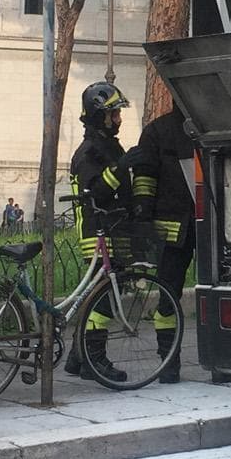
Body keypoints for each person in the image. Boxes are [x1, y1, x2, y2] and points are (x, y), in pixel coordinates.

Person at [66, 80, 133, 382]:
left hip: (109, 230)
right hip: (96, 234)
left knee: (95, 297)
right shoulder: (90, 151)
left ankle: (77, 358)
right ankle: (95, 361)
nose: (118, 120)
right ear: (98, 116)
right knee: (102, 301)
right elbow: (98, 192)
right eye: (113, 114)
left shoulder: (106, 145)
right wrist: (123, 167)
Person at [127, 102, 193, 384]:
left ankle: (218, 363)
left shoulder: (210, 125)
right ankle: (169, 363)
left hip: (207, 226)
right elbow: (144, 178)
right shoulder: (158, 131)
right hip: (172, 231)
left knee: (212, 296)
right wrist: (142, 215)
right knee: (168, 297)